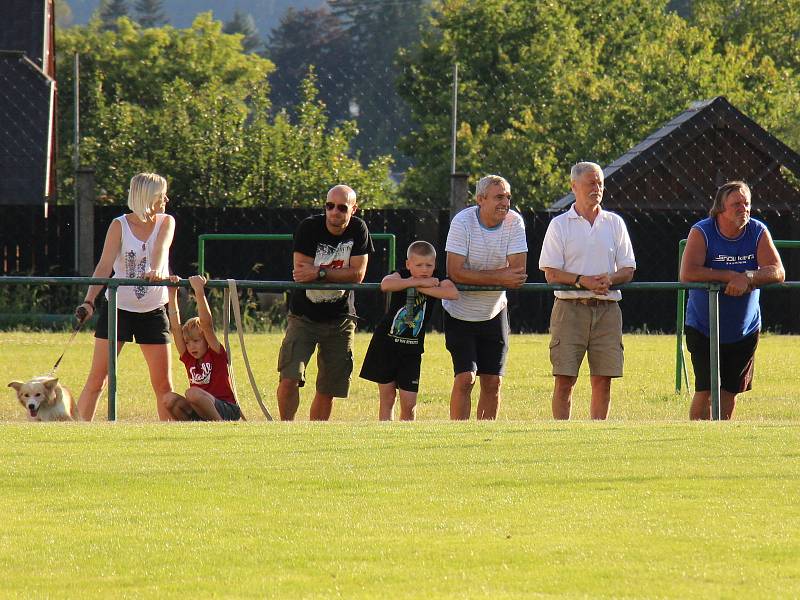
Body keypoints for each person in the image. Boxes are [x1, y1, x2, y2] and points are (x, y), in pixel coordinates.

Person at [74, 172, 176, 421]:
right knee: (97, 379)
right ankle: (75, 432)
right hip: (118, 309)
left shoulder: (166, 221)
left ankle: (170, 438)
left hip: (153, 310)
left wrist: (155, 270)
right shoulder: (119, 225)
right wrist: (89, 301)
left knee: (163, 386)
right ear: (148, 197)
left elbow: (161, 250)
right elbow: (104, 265)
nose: (166, 199)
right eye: (161, 194)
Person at [539, 162, 636, 420]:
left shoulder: (614, 223)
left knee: (603, 380)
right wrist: (583, 281)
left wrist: (609, 279)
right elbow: (551, 273)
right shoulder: (560, 225)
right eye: (591, 183)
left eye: (600, 183)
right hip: (570, 309)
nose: (597, 188)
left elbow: (628, 268)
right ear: (574, 186)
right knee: (565, 379)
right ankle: (561, 437)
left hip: (607, 309)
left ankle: (597, 436)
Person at [679, 181, 784, 420]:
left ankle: (719, 438)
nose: (743, 209)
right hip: (704, 327)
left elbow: (777, 271)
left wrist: (748, 277)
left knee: (730, 391)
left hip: (743, 329)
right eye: (736, 204)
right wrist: (729, 277)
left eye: (746, 203)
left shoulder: (757, 231)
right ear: (720, 208)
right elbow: (688, 273)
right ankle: (695, 441)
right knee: (705, 390)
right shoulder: (702, 231)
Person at [276, 184, 374, 421]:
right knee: (289, 378)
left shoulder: (359, 229)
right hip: (303, 317)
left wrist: (319, 273)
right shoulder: (309, 227)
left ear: (354, 209)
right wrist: (337, 272)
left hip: (340, 319)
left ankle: (313, 436)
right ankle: (284, 431)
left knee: (328, 389)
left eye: (342, 207)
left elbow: (358, 275)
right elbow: (300, 273)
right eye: (330, 206)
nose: (334, 212)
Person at [443, 175, 528, 420]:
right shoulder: (463, 222)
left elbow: (518, 273)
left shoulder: (515, 223)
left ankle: (483, 439)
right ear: (480, 199)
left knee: (493, 382)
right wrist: (500, 277)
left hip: (494, 311)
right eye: (499, 197)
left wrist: (482, 276)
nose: (505, 202)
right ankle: (459, 438)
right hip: (459, 312)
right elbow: (455, 272)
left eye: (508, 197)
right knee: (465, 379)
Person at [359, 241, 459, 421]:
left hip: (412, 350)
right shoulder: (402, 275)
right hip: (386, 344)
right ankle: (385, 437)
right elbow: (386, 284)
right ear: (408, 264)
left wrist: (422, 287)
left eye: (429, 265)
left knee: (409, 404)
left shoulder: (438, 277)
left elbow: (452, 294)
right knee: (388, 398)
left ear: (435, 265)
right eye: (419, 265)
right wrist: (418, 282)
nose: (424, 269)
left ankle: (405, 437)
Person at [163, 275, 242, 421]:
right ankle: (194, 431)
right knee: (168, 399)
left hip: (226, 408)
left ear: (206, 340)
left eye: (196, 341)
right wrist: (172, 293)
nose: (191, 346)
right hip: (199, 407)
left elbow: (207, 325)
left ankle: (220, 427)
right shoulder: (189, 357)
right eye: (188, 342)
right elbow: (175, 328)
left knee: (192, 393)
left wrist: (199, 291)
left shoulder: (215, 353)